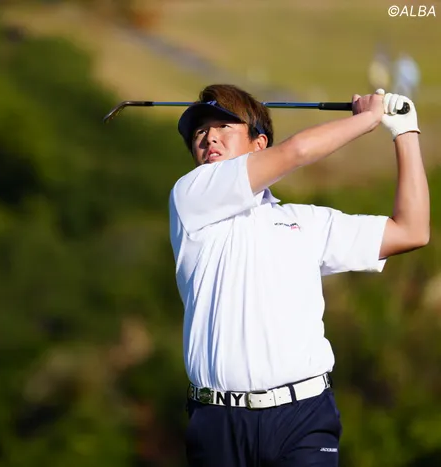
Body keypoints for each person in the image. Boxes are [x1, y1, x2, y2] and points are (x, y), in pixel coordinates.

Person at [168, 84, 429, 467]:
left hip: (303, 417)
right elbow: (297, 151)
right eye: (200, 132)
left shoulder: (305, 222)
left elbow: (411, 230)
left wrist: (405, 131)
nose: (209, 138)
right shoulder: (191, 197)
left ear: (259, 143)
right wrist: (369, 119)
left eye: (224, 126)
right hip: (218, 423)